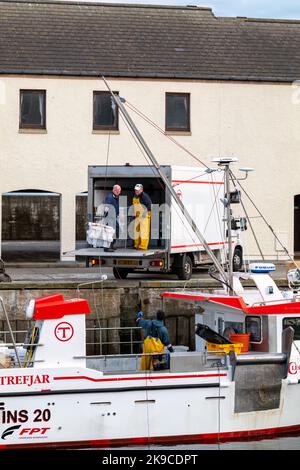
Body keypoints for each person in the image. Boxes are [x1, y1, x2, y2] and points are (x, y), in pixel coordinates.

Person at [132, 184, 152, 250]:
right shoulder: (135, 196)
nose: (136, 191)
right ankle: (136, 245)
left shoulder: (145, 196)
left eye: (138, 190)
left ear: (141, 190)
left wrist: (144, 214)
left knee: (144, 231)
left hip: (144, 216)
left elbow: (149, 206)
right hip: (137, 216)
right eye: (135, 190)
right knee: (136, 231)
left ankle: (143, 246)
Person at [103, 184, 121, 252]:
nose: (118, 191)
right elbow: (107, 207)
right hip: (109, 218)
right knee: (109, 232)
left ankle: (111, 245)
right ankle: (106, 248)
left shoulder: (116, 197)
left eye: (119, 190)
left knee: (116, 232)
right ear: (113, 190)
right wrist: (105, 217)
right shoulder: (110, 197)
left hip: (114, 218)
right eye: (116, 190)